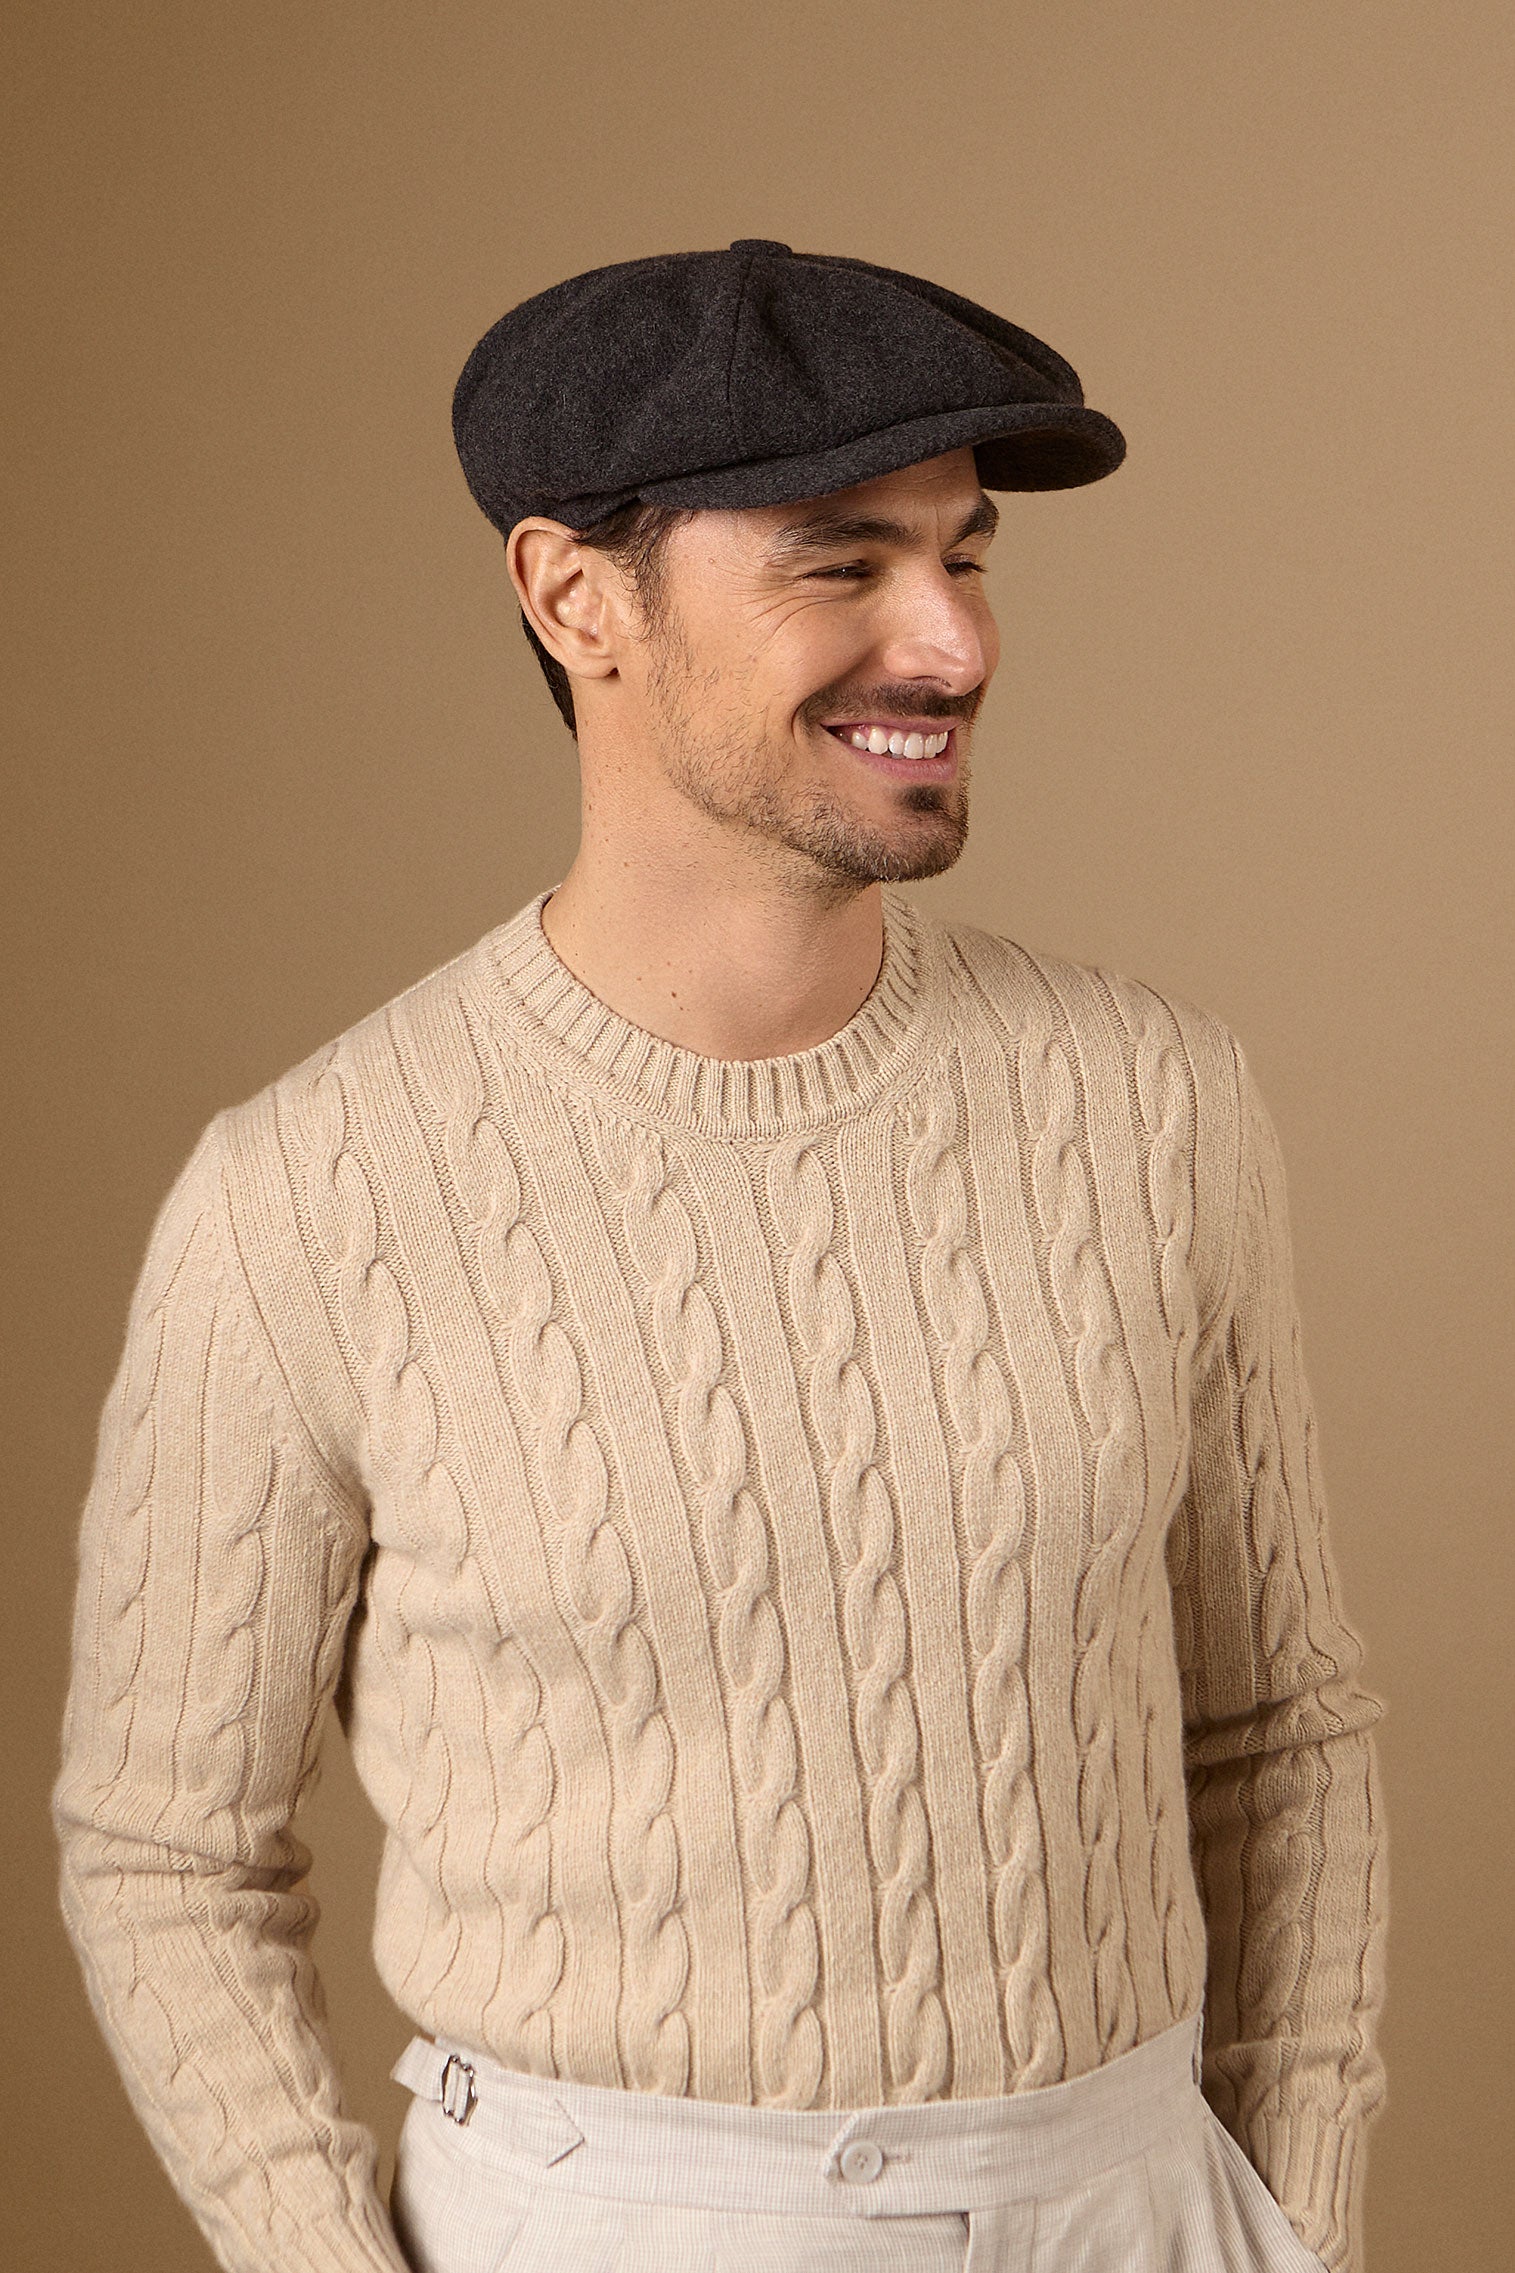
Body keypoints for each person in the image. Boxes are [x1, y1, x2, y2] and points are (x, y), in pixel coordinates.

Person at [55, 239, 1386, 2273]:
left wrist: (1292, 2222)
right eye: (841, 564)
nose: (950, 641)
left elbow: (1279, 1723)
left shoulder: (1152, 1104)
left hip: (1132, 2208)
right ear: (573, 598)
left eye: (966, 554)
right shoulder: (305, 1196)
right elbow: (165, 1850)